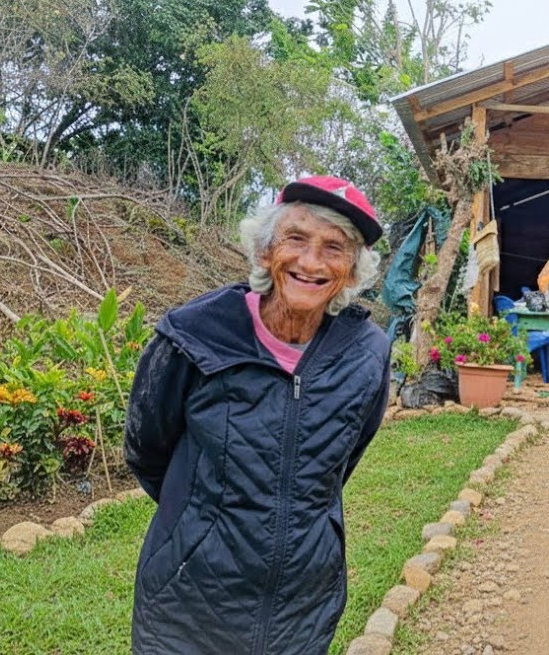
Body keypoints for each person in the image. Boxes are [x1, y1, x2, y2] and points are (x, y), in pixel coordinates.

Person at [124, 175, 389, 654]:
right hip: (188, 602)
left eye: (334, 247)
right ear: (265, 251)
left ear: (351, 271)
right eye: (296, 238)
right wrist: (203, 523)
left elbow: (341, 462)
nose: (311, 262)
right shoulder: (193, 334)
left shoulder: (367, 353)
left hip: (302, 607)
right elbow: (147, 449)